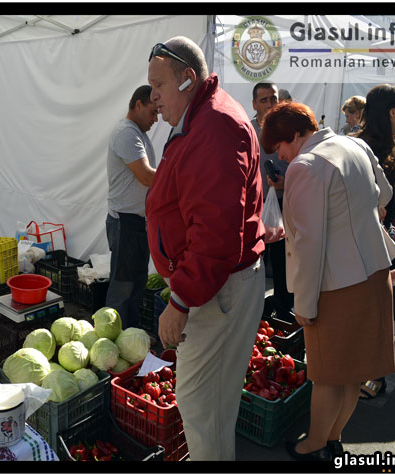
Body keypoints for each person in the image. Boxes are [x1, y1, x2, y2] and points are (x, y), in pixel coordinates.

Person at [146, 37, 265, 460]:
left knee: (201, 407)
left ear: (187, 79)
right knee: (208, 407)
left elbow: (214, 233)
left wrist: (181, 300)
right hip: (217, 286)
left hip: (217, 291)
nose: (152, 96)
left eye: (158, 86)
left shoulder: (213, 126)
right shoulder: (202, 119)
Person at [260, 101, 395, 461]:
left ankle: (313, 446)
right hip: (373, 270)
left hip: (336, 283)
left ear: (296, 135)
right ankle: (332, 438)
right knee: (353, 371)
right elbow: (384, 196)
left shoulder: (306, 166)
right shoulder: (356, 144)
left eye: (281, 148)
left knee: (327, 374)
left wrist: (303, 305)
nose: (282, 158)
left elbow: (307, 245)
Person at [353, 84, 395, 398]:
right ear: (391, 112)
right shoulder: (361, 146)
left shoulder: (390, 143)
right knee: (372, 311)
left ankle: (373, 376)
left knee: (377, 311)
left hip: (385, 240)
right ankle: (370, 375)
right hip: (367, 241)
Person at [105, 85, 158, 328]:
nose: (155, 119)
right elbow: (147, 177)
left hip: (136, 223)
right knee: (122, 289)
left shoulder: (138, 133)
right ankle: (113, 339)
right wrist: (179, 173)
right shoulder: (126, 133)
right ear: (138, 104)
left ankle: (130, 336)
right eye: (152, 112)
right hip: (126, 223)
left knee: (136, 286)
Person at [250, 82, 294, 314]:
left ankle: (284, 309)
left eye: (273, 99)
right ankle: (254, 308)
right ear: (254, 103)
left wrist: (285, 182)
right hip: (254, 207)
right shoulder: (246, 130)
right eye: (264, 100)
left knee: (282, 260)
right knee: (254, 259)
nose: (269, 104)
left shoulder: (289, 130)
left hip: (284, 203)